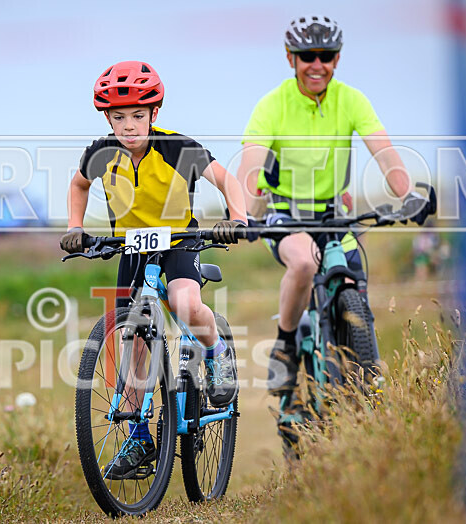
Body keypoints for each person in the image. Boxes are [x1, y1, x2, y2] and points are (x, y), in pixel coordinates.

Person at [236, 16, 434, 413]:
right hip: (285, 214)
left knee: (354, 280)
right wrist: (242, 213)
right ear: (290, 58)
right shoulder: (272, 105)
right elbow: (250, 166)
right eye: (307, 56)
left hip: (332, 216)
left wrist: (407, 193)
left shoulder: (351, 99)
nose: (316, 64)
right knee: (305, 265)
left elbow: (384, 152)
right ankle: (286, 346)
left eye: (325, 56)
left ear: (337, 59)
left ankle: (367, 376)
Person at [60, 61, 247, 478]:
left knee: (184, 302)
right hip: (131, 249)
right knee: (133, 338)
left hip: (180, 242)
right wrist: (76, 227)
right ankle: (139, 435)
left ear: (154, 114)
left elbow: (228, 181)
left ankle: (217, 354)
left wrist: (238, 218)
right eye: (119, 117)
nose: (129, 126)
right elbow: (78, 185)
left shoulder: (179, 147)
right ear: (107, 118)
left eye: (138, 117)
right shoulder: (99, 153)